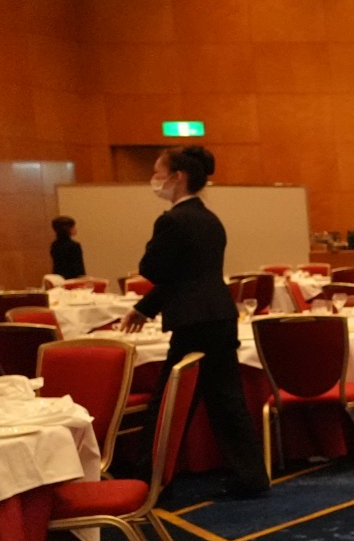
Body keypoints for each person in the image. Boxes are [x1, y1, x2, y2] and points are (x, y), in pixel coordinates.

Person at [117, 147, 267, 498]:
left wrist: (150, 260)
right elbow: (190, 275)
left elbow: (153, 269)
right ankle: (250, 476)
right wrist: (145, 308)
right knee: (227, 400)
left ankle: (151, 479)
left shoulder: (172, 221)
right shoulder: (210, 219)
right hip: (219, 315)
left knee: (169, 401)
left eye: (158, 172)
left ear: (177, 177)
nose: (154, 179)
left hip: (192, 321)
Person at [49, 216, 85, 281]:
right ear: (67, 229)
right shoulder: (74, 246)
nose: (75, 229)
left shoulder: (54, 245)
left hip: (58, 279)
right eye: (73, 227)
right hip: (72, 279)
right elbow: (78, 267)